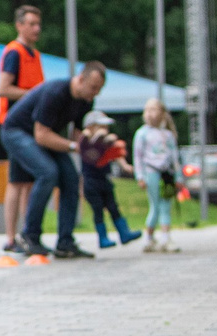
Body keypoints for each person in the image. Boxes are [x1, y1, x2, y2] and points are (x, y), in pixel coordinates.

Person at [0, 60, 108, 260]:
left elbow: (77, 135)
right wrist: (74, 147)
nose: (95, 93)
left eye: (99, 89)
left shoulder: (86, 100)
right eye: (93, 87)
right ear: (81, 79)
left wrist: (91, 150)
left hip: (45, 135)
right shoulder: (56, 92)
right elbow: (41, 135)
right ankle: (29, 236)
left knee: (71, 178)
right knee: (47, 172)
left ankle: (65, 242)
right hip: (17, 132)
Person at [0, 5, 45, 257]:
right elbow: (3, 88)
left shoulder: (34, 54)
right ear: (19, 25)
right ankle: (10, 237)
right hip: (15, 124)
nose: (36, 28)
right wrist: (33, 95)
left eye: (38, 24)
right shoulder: (14, 52)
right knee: (16, 181)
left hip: (30, 125)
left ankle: (27, 234)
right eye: (31, 24)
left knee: (28, 182)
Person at [76, 110, 139, 250]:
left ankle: (124, 233)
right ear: (90, 127)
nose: (105, 129)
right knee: (98, 210)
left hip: (104, 179)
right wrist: (96, 136)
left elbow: (116, 153)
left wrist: (125, 166)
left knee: (113, 206)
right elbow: (85, 147)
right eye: (101, 126)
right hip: (91, 182)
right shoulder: (85, 141)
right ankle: (102, 238)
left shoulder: (106, 142)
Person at [133, 95, 181, 252]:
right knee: (155, 206)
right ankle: (149, 237)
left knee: (166, 205)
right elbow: (138, 157)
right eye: (147, 110)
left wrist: (178, 176)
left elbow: (174, 156)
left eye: (153, 110)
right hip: (151, 172)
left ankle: (165, 238)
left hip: (167, 174)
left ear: (161, 113)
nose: (149, 113)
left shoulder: (168, 135)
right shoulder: (142, 134)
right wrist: (140, 176)